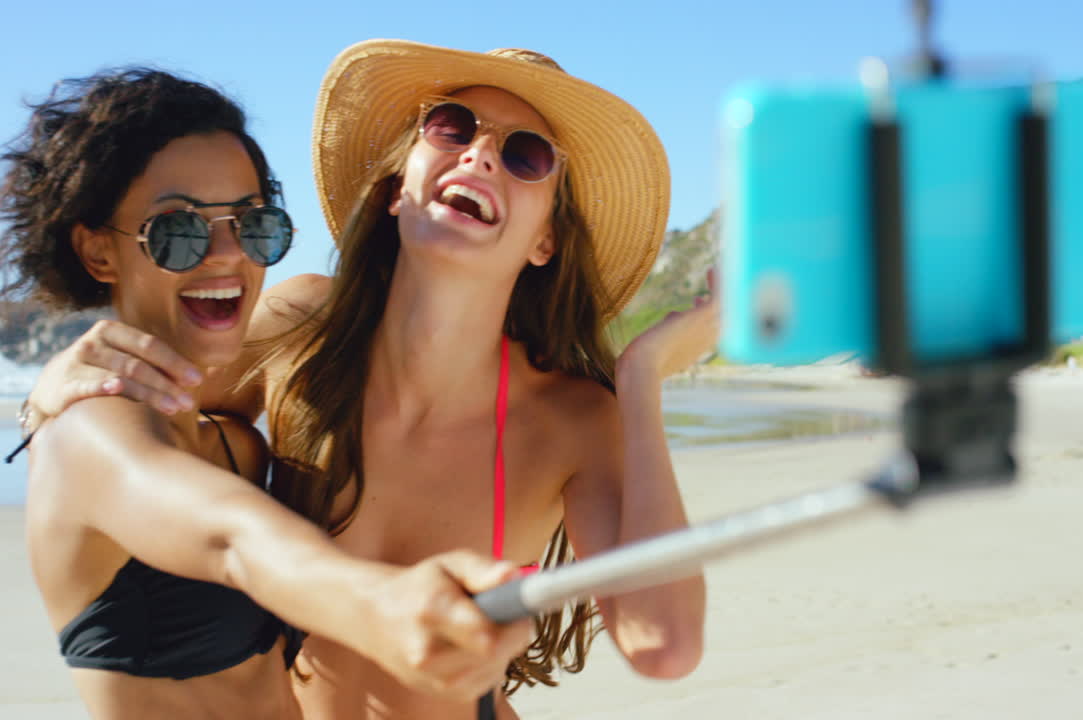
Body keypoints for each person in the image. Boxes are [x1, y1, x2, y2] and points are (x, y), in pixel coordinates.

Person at [28, 42, 716, 720]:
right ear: (396, 189)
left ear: (546, 241)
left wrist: (641, 379)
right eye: (451, 126)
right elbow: (130, 426)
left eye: (525, 156)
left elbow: (664, 646)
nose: (478, 154)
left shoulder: (574, 420)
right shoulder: (300, 330)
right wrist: (54, 387)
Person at [2, 67, 532, 720]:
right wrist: (378, 605)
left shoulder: (236, 446)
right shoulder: (89, 434)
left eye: (254, 226)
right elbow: (236, 543)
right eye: (179, 230)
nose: (228, 255)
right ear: (97, 251)